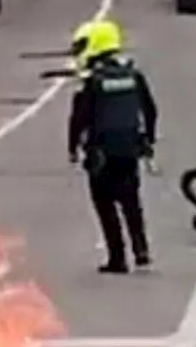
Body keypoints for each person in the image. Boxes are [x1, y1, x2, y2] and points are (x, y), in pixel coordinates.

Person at [67, 19, 158, 274]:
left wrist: (72, 148)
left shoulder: (93, 81)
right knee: (131, 202)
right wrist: (148, 140)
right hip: (130, 149)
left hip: (101, 153)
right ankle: (141, 251)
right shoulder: (133, 75)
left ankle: (117, 258)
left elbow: (79, 118)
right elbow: (150, 110)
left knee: (106, 206)